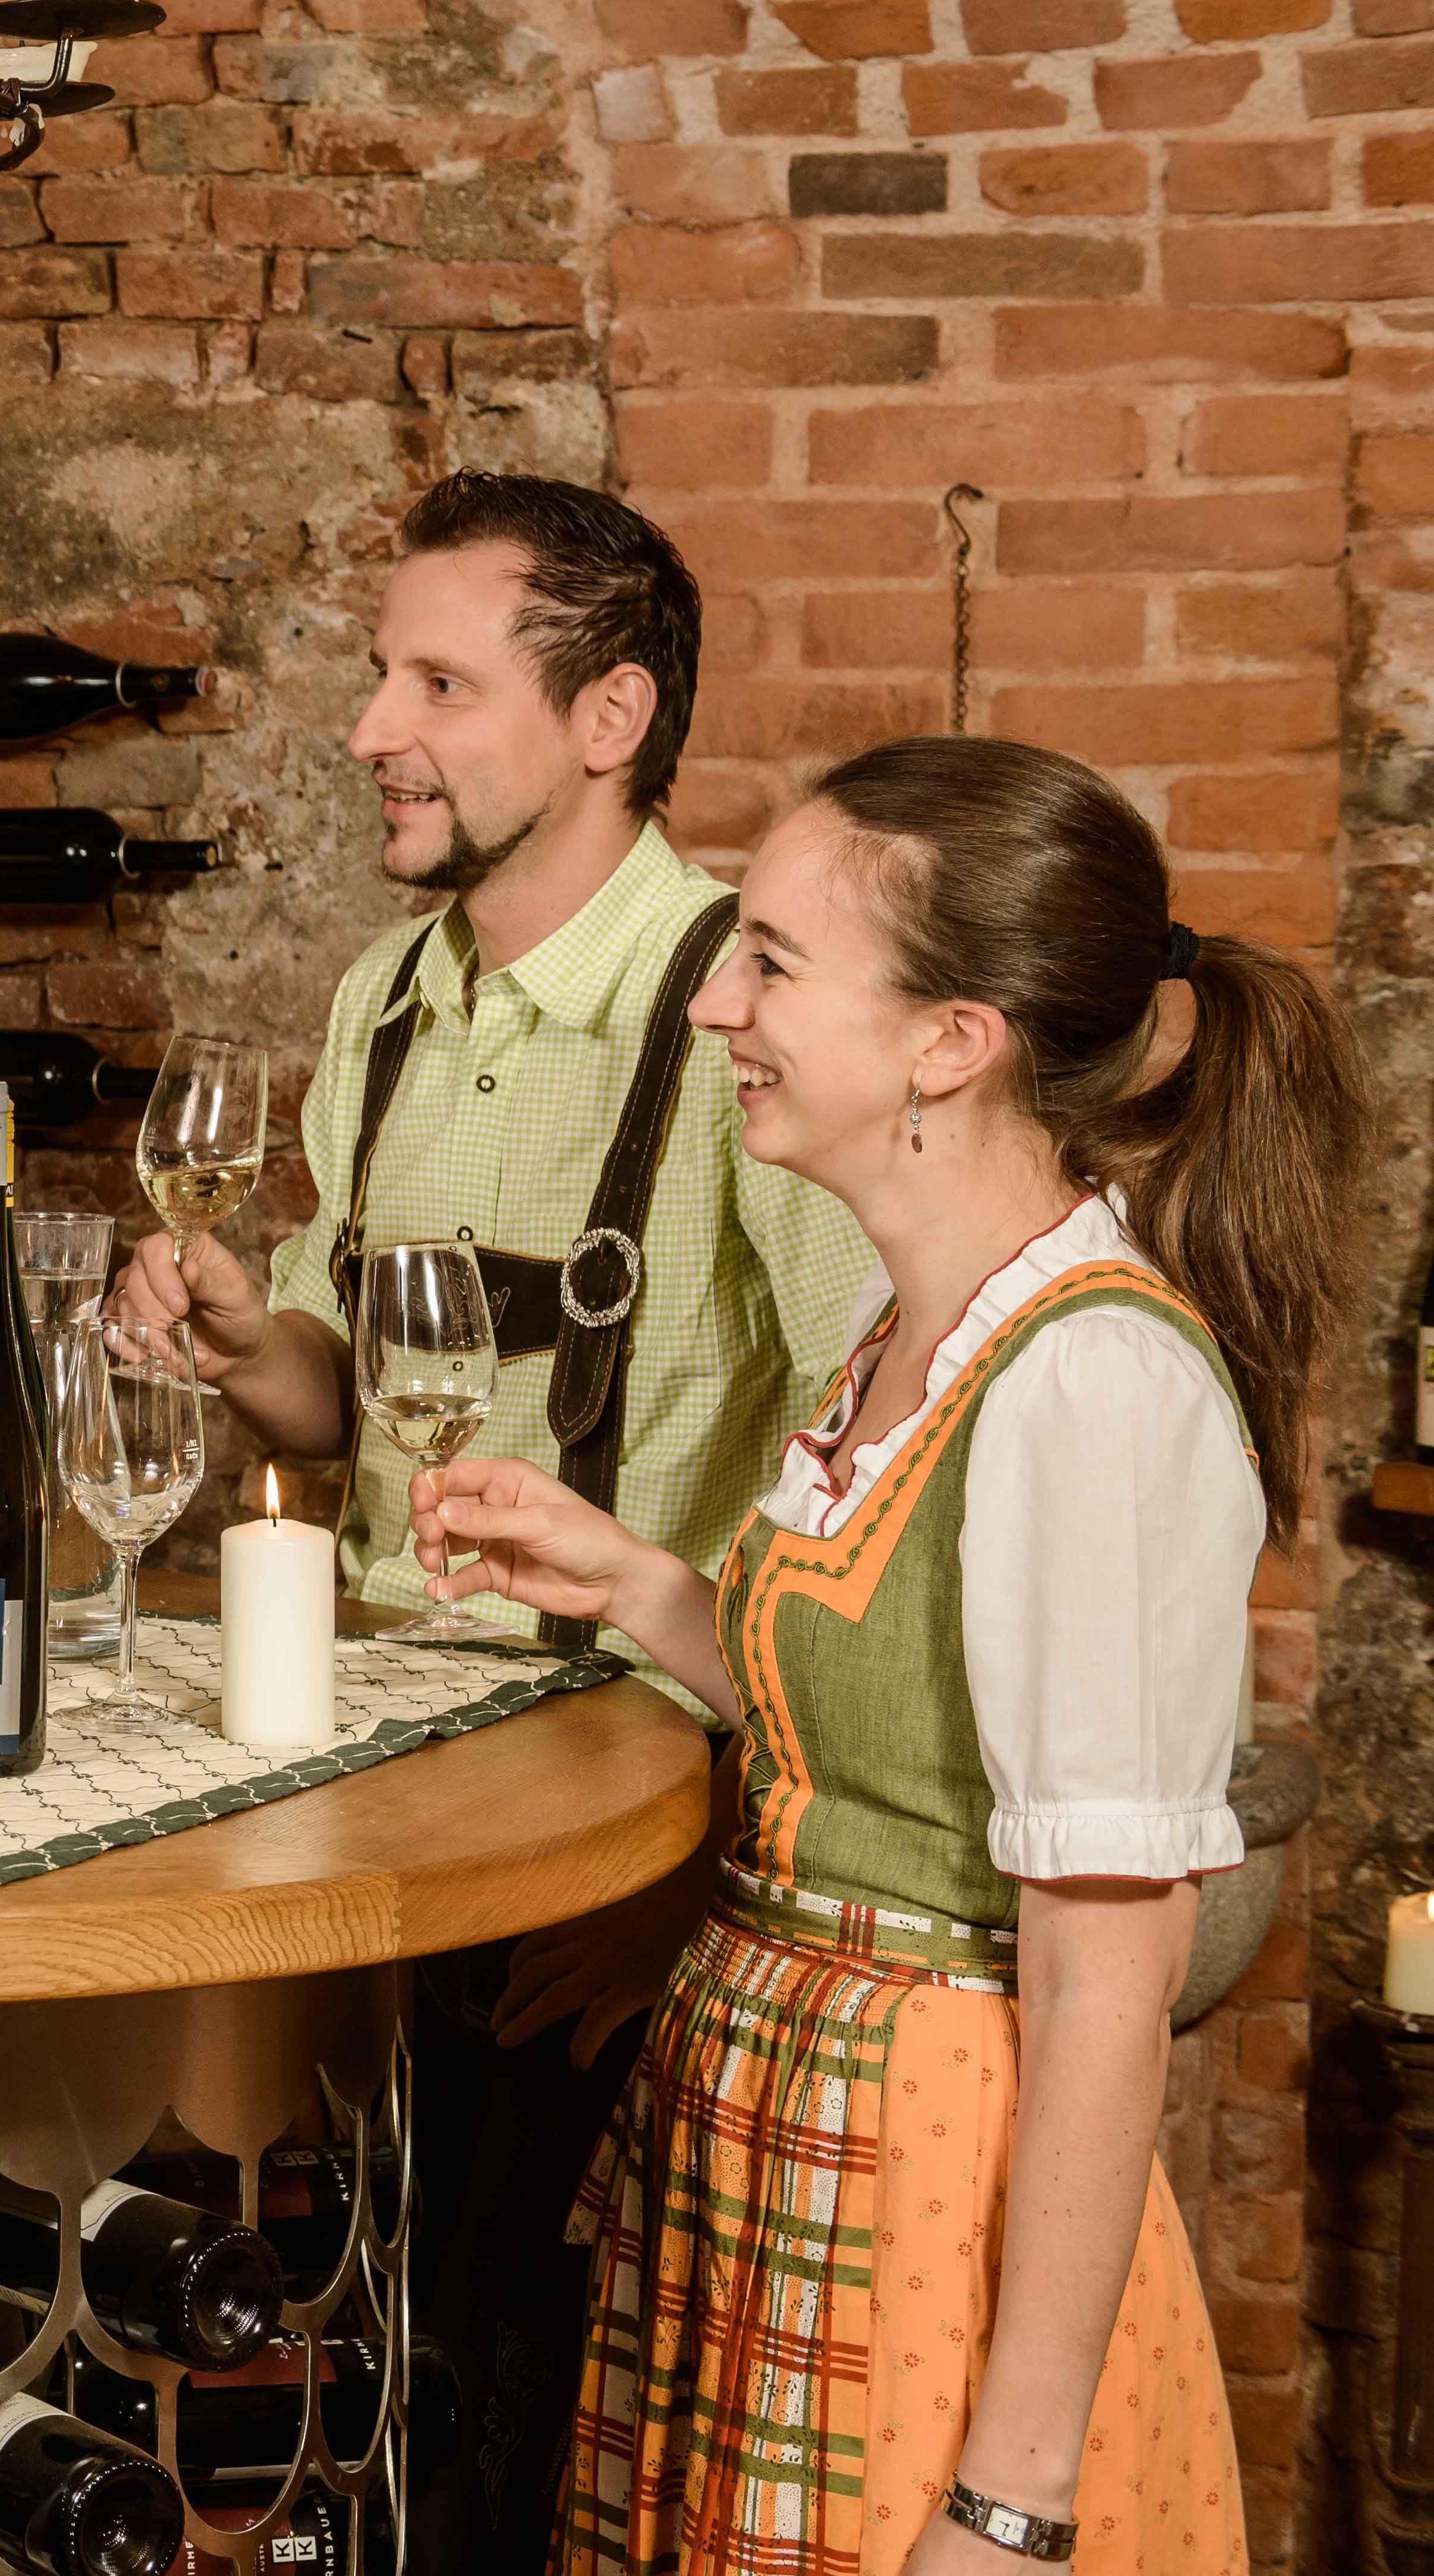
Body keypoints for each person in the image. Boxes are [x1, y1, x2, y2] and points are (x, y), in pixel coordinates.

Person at [416, 733, 1343, 2576]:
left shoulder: (1093, 1384)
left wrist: (1010, 2502)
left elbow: (1104, 1976)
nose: (715, 1010)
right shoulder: (901, 1327)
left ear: (951, 1042)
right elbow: (875, 1735)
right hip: (770, 2134)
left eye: (768, 960)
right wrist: (633, 1581)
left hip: (930, 2192)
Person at [107, 473, 876, 2568]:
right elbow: (354, 1414)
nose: (374, 727)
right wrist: (249, 1334)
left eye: (438, 681)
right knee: (305, 2377)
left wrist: (707, 1852)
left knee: (513, 2430)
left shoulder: (742, 1014)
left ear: (611, 716)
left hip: (612, 1838)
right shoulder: (387, 998)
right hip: (363, 1790)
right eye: (385, 675)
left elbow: (882, 1460)